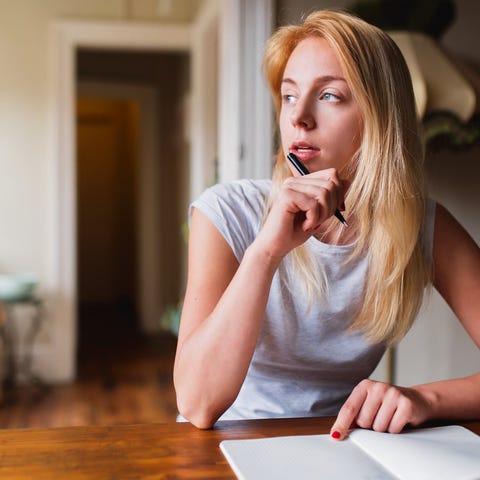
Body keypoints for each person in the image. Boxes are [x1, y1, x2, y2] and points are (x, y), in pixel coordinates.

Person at [173, 9, 480, 438]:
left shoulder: (423, 227)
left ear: (379, 117)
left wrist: (425, 399)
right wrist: (265, 252)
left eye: (330, 95)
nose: (299, 118)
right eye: (290, 96)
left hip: (338, 447)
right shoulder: (227, 211)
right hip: (224, 448)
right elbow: (197, 403)